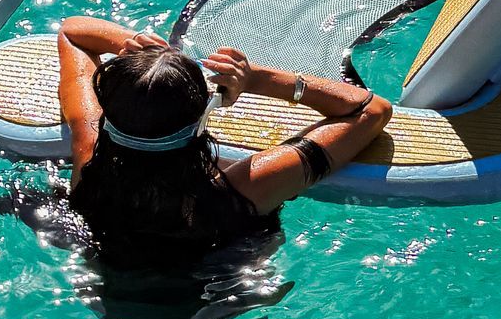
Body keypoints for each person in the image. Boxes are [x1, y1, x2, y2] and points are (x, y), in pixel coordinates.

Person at [56, 18, 391, 260]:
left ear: (108, 111)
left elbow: (73, 32)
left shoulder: (88, 151)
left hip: (107, 280)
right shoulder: (247, 186)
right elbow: (371, 111)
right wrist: (256, 79)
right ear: (202, 117)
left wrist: (139, 49)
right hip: (213, 302)